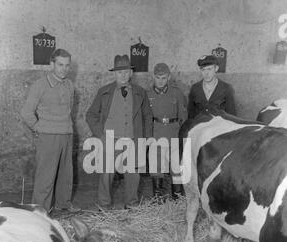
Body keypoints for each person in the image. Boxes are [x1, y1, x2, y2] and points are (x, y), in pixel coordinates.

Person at [86, 54, 152, 210]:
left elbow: (147, 116)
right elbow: (91, 114)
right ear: (114, 73)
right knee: (106, 174)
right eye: (119, 72)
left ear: (131, 73)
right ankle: (104, 205)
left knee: (133, 174)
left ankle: (131, 204)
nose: (123, 75)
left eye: (126, 71)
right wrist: (100, 134)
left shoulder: (140, 92)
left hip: (132, 140)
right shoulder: (104, 92)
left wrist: (147, 137)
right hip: (110, 139)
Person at [20, 48, 81, 213]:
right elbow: (26, 112)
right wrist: (38, 127)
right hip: (48, 137)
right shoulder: (40, 85)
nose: (64, 69)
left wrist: (70, 130)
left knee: (66, 175)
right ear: (51, 64)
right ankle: (40, 211)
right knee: (45, 177)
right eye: (60, 64)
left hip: (67, 134)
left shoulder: (70, 85)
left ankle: (64, 204)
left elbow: (68, 111)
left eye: (67, 65)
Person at [147, 63, 187, 200]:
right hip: (156, 133)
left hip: (174, 132)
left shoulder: (177, 93)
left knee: (176, 166)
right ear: (153, 76)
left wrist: (182, 137)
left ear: (169, 77)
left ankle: (177, 197)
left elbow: (183, 117)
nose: (160, 81)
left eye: (164, 78)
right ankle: (158, 198)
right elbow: (146, 118)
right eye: (158, 77)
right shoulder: (148, 94)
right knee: (156, 167)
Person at [188, 54, 236, 119]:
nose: (206, 73)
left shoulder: (226, 88)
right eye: (203, 70)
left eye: (209, 69)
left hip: (219, 128)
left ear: (216, 68)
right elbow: (190, 114)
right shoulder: (195, 88)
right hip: (200, 127)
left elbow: (232, 116)